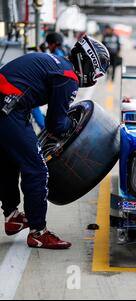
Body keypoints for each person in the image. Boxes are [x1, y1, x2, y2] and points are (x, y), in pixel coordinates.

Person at [0, 35, 110, 249]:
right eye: (96, 73)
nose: (94, 78)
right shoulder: (68, 76)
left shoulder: (57, 63)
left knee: (8, 162)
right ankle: (38, 232)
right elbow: (57, 125)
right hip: (9, 110)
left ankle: (12, 215)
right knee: (37, 171)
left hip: (8, 106)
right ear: (88, 63)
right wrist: (72, 125)